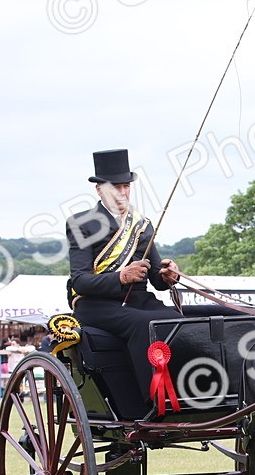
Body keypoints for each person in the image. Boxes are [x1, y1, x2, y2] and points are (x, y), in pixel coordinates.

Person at [66, 148, 233, 408]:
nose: (122, 193)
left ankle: (194, 393)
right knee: (147, 323)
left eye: (126, 187)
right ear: (99, 190)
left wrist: (168, 275)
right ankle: (153, 400)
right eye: (115, 188)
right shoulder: (82, 224)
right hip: (96, 305)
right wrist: (121, 277)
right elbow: (80, 281)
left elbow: (156, 279)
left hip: (140, 300)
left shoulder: (141, 224)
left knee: (179, 321)